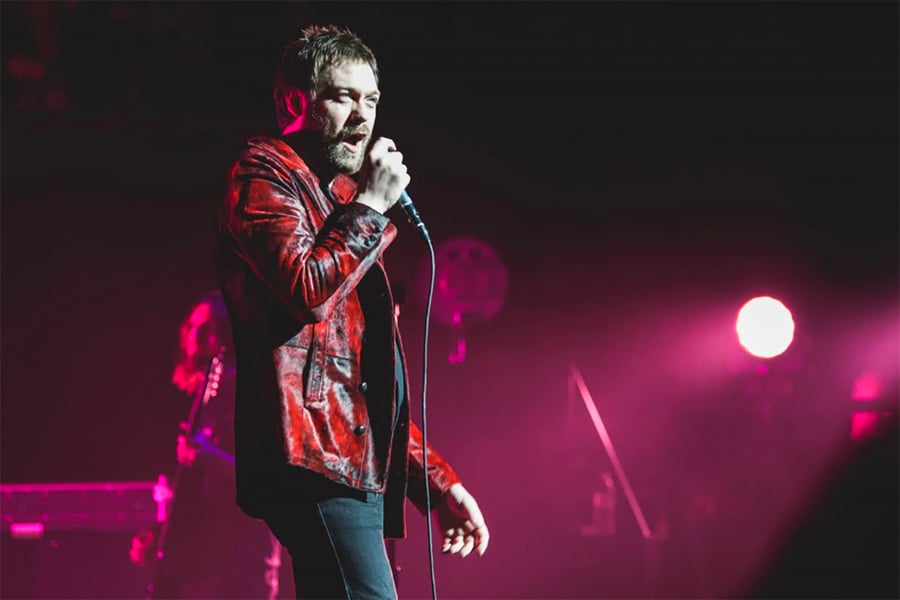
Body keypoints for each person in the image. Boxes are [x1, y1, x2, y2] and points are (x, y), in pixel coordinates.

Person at [213, 25, 490, 599]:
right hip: (311, 462)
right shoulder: (264, 175)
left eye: (371, 100)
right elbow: (305, 289)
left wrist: (436, 483)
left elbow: (364, 383)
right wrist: (369, 206)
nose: (362, 118)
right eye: (343, 98)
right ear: (297, 101)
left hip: (352, 463)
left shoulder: (338, 201)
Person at [131, 290, 292, 599]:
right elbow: (196, 497)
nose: (195, 336)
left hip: (240, 560)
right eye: (191, 327)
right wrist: (160, 536)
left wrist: (207, 457)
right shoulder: (204, 396)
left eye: (207, 328)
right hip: (202, 564)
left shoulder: (249, 388)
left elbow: (269, 479)